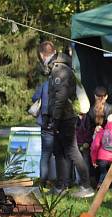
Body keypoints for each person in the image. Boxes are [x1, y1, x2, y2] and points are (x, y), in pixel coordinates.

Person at [40, 42, 91, 195]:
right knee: (58, 152)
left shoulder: (60, 71)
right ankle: (60, 186)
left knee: (72, 151)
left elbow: (60, 98)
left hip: (65, 118)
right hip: (59, 118)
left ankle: (86, 185)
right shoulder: (56, 69)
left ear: (42, 55)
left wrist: (54, 119)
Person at [31, 58, 56, 186]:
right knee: (60, 153)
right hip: (58, 123)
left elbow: (34, 98)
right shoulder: (61, 85)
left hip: (45, 124)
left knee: (45, 154)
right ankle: (62, 181)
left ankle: (43, 182)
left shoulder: (44, 84)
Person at [90, 114, 112, 188]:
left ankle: (100, 185)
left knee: (103, 173)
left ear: (107, 121)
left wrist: (93, 160)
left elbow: (95, 146)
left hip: (102, 158)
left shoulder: (102, 132)